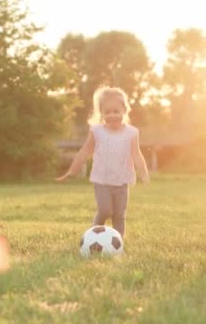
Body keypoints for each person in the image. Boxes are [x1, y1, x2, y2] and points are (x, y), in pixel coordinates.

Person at [56, 86, 150, 238]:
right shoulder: (97, 131)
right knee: (106, 210)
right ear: (101, 113)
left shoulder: (131, 133)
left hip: (122, 181)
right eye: (107, 112)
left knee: (119, 215)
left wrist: (143, 172)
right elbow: (85, 151)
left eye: (116, 111)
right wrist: (72, 170)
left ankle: (118, 241)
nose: (112, 115)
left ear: (124, 110)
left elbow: (136, 154)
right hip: (102, 180)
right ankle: (94, 234)